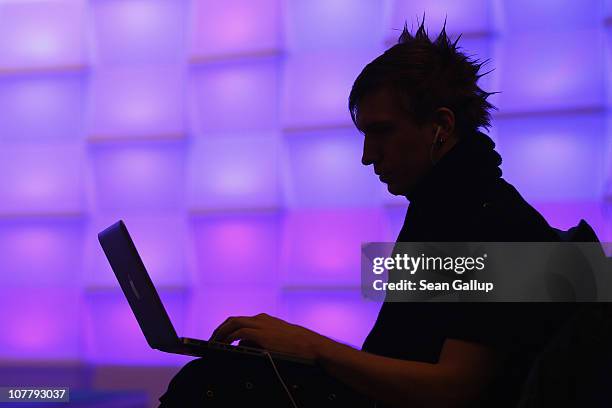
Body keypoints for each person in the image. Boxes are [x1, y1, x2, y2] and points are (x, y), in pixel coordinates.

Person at [159, 20, 580, 407]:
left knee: (209, 386)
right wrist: (296, 350)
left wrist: (313, 348)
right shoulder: (444, 210)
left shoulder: (499, 225)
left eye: (381, 132)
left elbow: (457, 389)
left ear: (442, 127)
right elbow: (402, 357)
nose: (367, 157)